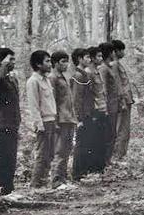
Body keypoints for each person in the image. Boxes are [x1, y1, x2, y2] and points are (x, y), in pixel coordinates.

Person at [0, 48, 19, 195]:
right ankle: (0, 190)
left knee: (11, 158)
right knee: (3, 158)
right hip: (2, 124)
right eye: (10, 59)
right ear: (2, 61)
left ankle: (9, 190)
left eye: (13, 59)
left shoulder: (11, 79)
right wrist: (3, 65)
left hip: (12, 124)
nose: (13, 62)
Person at [26, 49, 57, 190]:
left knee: (50, 153)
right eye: (47, 61)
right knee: (42, 154)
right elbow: (34, 105)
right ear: (38, 64)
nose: (50, 64)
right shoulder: (33, 81)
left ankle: (43, 183)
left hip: (51, 120)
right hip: (43, 122)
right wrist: (39, 124)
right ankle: (35, 185)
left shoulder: (47, 80)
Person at [49, 50, 76, 189]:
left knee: (66, 150)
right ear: (55, 63)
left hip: (69, 118)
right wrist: (55, 120)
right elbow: (52, 100)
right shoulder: (52, 78)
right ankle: (56, 181)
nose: (66, 64)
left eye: (67, 61)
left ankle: (63, 180)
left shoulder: (64, 77)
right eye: (62, 61)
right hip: (61, 119)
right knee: (59, 150)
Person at [70, 48, 96, 179]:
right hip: (82, 115)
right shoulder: (78, 76)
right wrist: (78, 118)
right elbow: (76, 99)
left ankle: (83, 172)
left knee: (86, 143)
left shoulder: (85, 74)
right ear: (79, 59)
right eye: (86, 57)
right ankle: (77, 174)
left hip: (88, 113)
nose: (89, 60)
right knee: (81, 144)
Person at [86, 45, 109, 174]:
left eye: (101, 56)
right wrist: (92, 110)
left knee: (102, 139)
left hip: (102, 108)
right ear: (92, 58)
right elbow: (88, 94)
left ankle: (100, 167)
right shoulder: (89, 73)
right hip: (95, 110)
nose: (101, 58)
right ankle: (93, 168)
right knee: (94, 140)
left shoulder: (98, 71)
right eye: (98, 56)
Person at [111, 39, 135, 161]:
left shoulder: (118, 64)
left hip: (126, 100)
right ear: (116, 51)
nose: (124, 53)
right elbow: (118, 84)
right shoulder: (114, 65)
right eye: (122, 50)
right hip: (123, 101)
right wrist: (122, 101)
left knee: (124, 129)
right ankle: (118, 156)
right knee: (122, 129)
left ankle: (121, 155)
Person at [98, 42, 119, 167]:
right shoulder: (103, 69)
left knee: (112, 133)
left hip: (114, 105)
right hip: (109, 106)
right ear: (109, 53)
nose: (114, 54)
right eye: (112, 52)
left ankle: (108, 160)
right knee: (108, 133)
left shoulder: (108, 67)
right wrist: (104, 106)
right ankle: (104, 161)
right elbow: (104, 88)